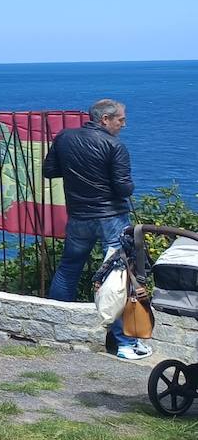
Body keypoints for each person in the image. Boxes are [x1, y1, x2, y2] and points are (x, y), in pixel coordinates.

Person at [44, 99, 150, 361]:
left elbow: (49, 171)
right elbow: (124, 188)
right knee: (119, 278)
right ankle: (124, 343)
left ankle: (53, 327)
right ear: (105, 119)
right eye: (120, 120)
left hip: (79, 215)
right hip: (111, 218)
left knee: (68, 269)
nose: (124, 125)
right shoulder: (115, 147)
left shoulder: (65, 137)